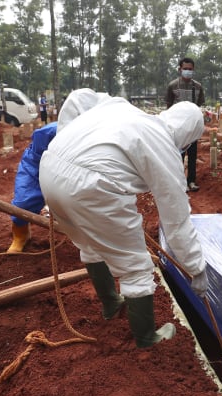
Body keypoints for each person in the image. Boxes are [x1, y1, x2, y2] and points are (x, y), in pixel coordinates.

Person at [39, 99, 209, 348]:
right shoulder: (162, 143)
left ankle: (111, 304)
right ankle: (147, 338)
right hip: (92, 186)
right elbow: (177, 221)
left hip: (50, 170)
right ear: (189, 135)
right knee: (136, 266)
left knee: (89, 244)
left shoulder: (124, 110)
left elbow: (79, 98)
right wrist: (197, 268)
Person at [7, 88, 110, 253]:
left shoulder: (104, 134)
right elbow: (38, 156)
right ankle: (20, 235)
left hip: (79, 168)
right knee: (24, 201)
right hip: (37, 163)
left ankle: (99, 237)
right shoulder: (49, 132)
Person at [166, 57, 205, 192]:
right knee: (178, 155)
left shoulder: (198, 87)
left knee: (193, 154)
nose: (188, 71)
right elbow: (169, 106)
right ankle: (180, 181)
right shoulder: (172, 86)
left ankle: (192, 181)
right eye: (185, 69)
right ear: (179, 69)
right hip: (178, 128)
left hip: (192, 126)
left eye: (190, 69)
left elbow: (199, 104)